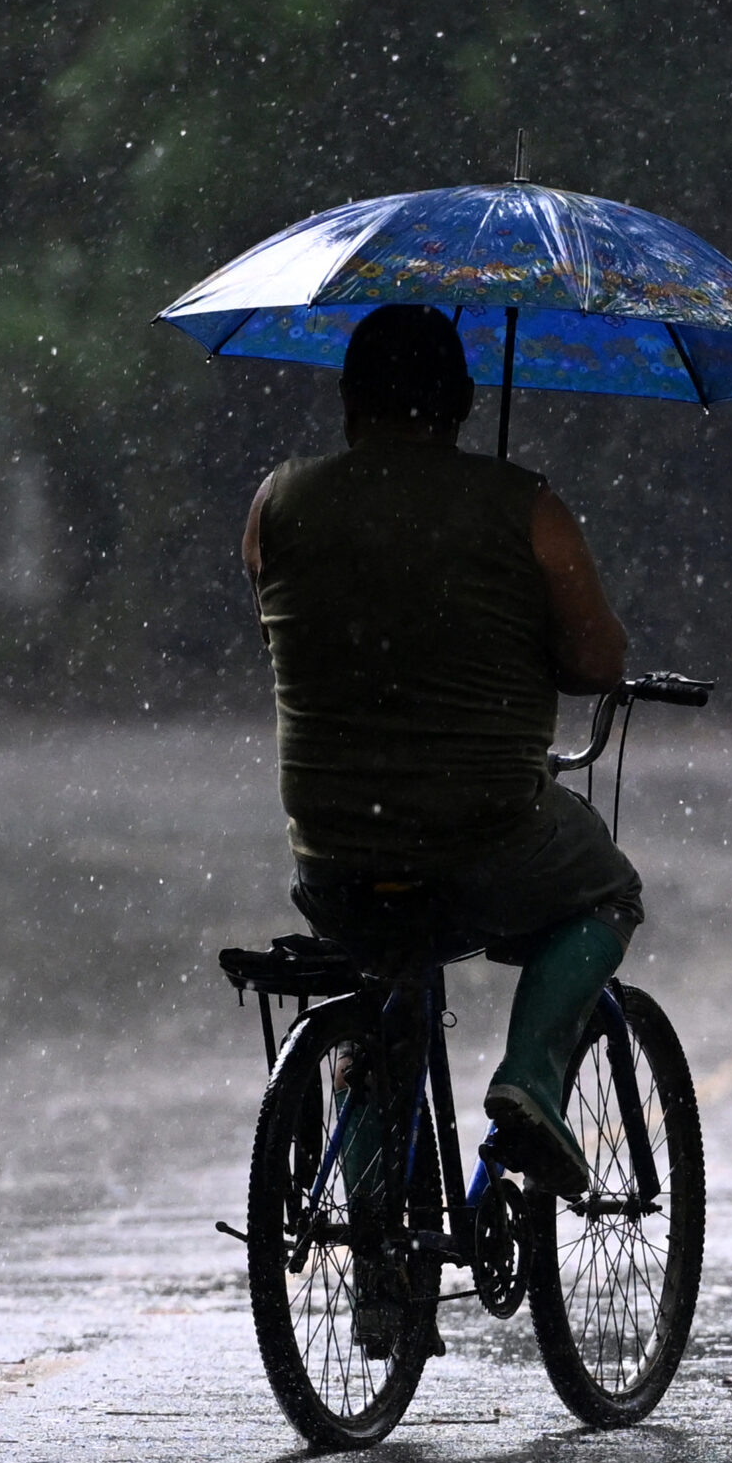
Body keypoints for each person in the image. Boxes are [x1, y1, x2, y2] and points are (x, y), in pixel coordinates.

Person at [241, 304, 638, 1200]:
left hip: (333, 850)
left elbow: (285, 630)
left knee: (387, 979)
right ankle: (530, 1083)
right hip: (484, 840)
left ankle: (377, 1245)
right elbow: (596, 663)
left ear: (348, 400)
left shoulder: (276, 503)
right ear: (462, 402)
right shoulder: (528, 509)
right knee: (608, 893)